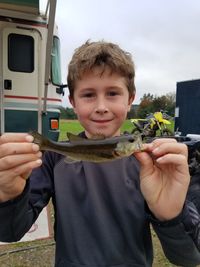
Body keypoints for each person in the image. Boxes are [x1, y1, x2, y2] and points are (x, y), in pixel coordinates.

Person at [0, 40, 200, 267]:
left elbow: (189, 258)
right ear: (73, 102)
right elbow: (10, 233)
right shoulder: (52, 159)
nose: (101, 106)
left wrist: (172, 215)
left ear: (130, 99)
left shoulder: (154, 165)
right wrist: (9, 196)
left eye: (113, 93)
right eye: (88, 95)